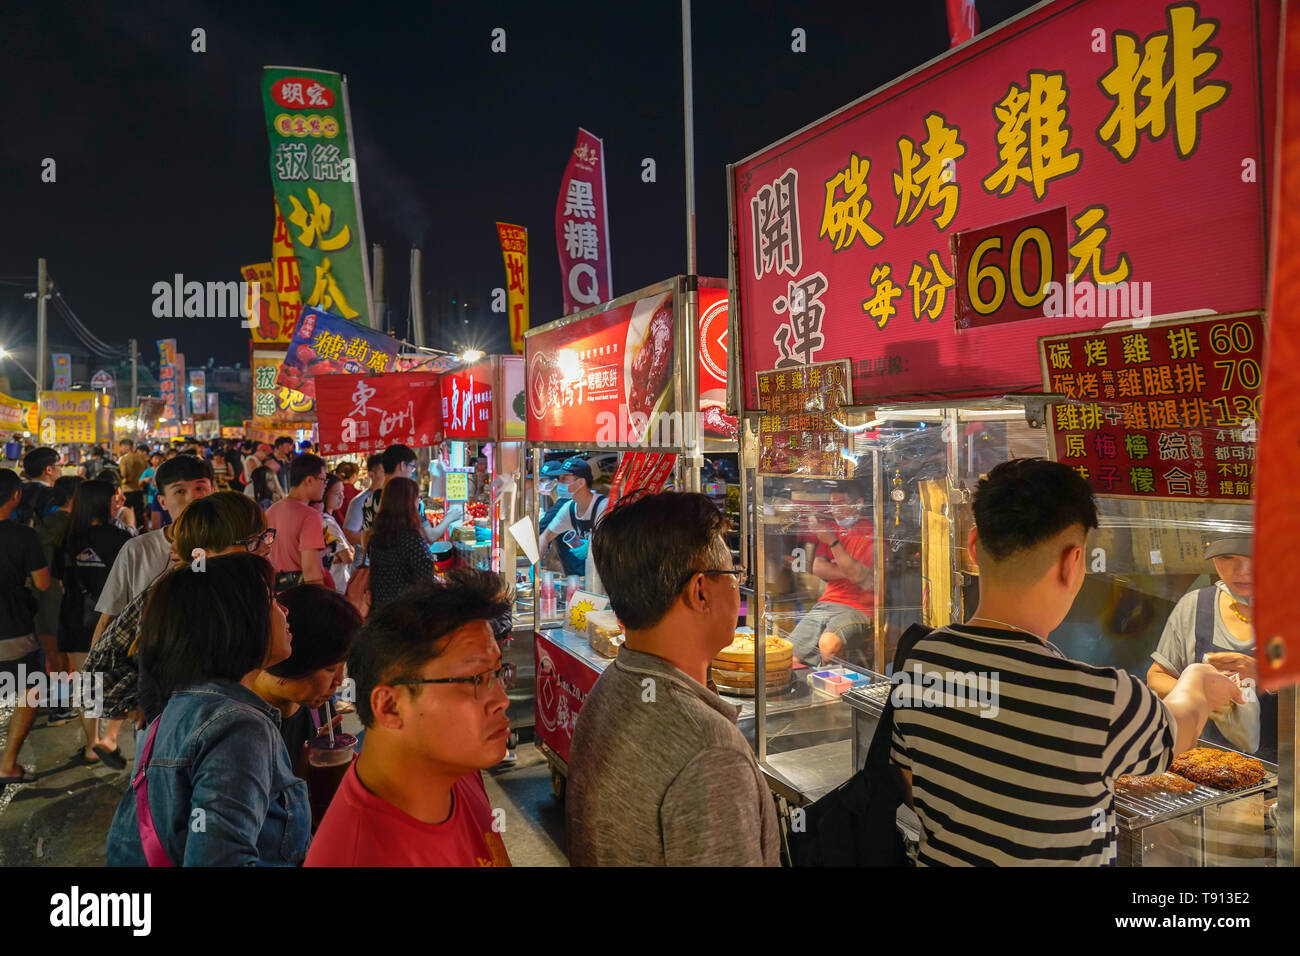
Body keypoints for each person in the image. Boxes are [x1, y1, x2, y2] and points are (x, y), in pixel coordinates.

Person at [889, 458, 1244, 867]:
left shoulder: (922, 660)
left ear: (972, 547)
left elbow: (911, 783)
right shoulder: (1100, 699)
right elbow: (1180, 728)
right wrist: (1198, 678)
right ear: (1073, 562)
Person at [567, 491, 779, 866]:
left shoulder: (612, 684)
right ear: (700, 591)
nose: (738, 587)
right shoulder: (710, 752)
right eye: (734, 574)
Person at [105, 553, 309, 866]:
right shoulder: (237, 727)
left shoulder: (179, 709)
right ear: (236, 620)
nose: (284, 609)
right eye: (270, 599)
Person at [305, 569, 512, 866]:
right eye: (475, 679)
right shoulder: (359, 855)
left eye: (497, 672)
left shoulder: (459, 768)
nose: (501, 700)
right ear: (390, 706)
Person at [86, 492, 276, 759]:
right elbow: (103, 669)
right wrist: (146, 703)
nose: (267, 547)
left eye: (266, 536)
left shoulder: (249, 589)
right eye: (253, 541)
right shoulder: (175, 598)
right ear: (205, 550)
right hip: (180, 743)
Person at [90, 454, 215, 758]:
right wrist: (121, 695)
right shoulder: (138, 550)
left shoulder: (228, 548)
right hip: (153, 690)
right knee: (153, 779)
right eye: (180, 491)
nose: (193, 498)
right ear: (162, 500)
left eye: (200, 488)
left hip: (213, 689)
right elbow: (109, 622)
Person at [1147, 533, 1274, 761]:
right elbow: (1157, 676)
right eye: (1227, 556)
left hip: (1288, 773)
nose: (1241, 569)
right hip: (1204, 763)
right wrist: (1200, 696)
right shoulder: (1194, 606)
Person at [53, 480, 132, 766]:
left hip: (75, 616)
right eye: (114, 498)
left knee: (86, 682)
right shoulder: (122, 538)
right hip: (112, 619)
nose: (117, 503)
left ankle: (91, 745)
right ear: (102, 502)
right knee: (117, 680)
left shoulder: (67, 537)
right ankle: (109, 737)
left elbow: (61, 581)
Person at [254, 584, 361, 775]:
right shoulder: (242, 729)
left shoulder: (318, 707)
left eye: (341, 667)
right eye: (330, 669)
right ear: (294, 660)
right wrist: (301, 781)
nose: (339, 680)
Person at [0, 468, 52, 785]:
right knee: (29, 690)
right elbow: (43, 583)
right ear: (15, 495)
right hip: (13, 628)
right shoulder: (23, 535)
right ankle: (7, 764)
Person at [787, 479, 875, 667]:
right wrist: (849, 569)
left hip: (858, 608)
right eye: (832, 504)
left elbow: (860, 577)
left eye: (841, 504)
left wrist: (833, 543)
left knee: (827, 646)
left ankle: (839, 689)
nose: (836, 510)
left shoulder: (869, 533)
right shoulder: (834, 530)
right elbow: (818, 568)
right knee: (790, 655)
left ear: (858, 504)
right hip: (827, 602)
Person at [31, 475, 80, 724]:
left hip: (42, 600)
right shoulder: (77, 528)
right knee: (70, 660)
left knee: (53, 656)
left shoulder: (41, 527)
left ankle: (57, 704)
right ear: (75, 497)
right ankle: (62, 705)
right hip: (68, 601)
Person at [364, 476, 438, 614]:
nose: (419, 503)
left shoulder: (377, 536)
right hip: (405, 614)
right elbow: (425, 580)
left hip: (380, 611)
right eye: (416, 498)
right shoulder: (411, 539)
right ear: (407, 503)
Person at [265, 452, 328, 591]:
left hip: (275, 595)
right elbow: (312, 572)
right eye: (323, 480)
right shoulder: (310, 516)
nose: (325, 486)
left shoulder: (271, 511)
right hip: (299, 595)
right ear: (309, 480)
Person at [538, 456, 607, 574]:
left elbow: (618, 543)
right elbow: (545, 537)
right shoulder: (569, 508)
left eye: (564, 479)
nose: (559, 484)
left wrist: (593, 547)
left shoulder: (604, 506)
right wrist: (535, 563)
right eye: (559, 479)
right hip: (584, 578)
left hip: (607, 578)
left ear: (580, 483)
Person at [317, 474, 355, 593]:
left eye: (342, 492)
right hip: (337, 587)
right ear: (324, 494)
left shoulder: (326, 520)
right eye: (337, 493)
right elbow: (348, 557)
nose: (342, 497)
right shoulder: (327, 523)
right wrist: (348, 550)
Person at [342, 453, 385, 552]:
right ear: (371, 475)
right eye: (383, 471)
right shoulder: (360, 501)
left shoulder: (392, 498)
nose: (387, 475)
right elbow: (349, 534)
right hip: (366, 562)